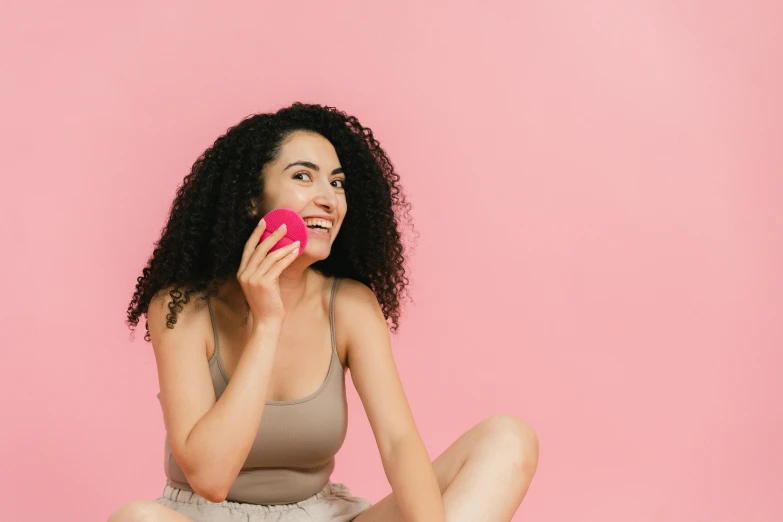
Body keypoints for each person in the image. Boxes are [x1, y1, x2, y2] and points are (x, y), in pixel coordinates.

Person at [108, 102, 539, 522]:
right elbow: (211, 478)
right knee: (136, 519)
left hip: (323, 514)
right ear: (249, 201)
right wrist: (267, 323)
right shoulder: (181, 307)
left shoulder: (349, 305)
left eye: (336, 183)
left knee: (507, 440)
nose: (329, 199)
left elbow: (398, 442)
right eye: (303, 177)